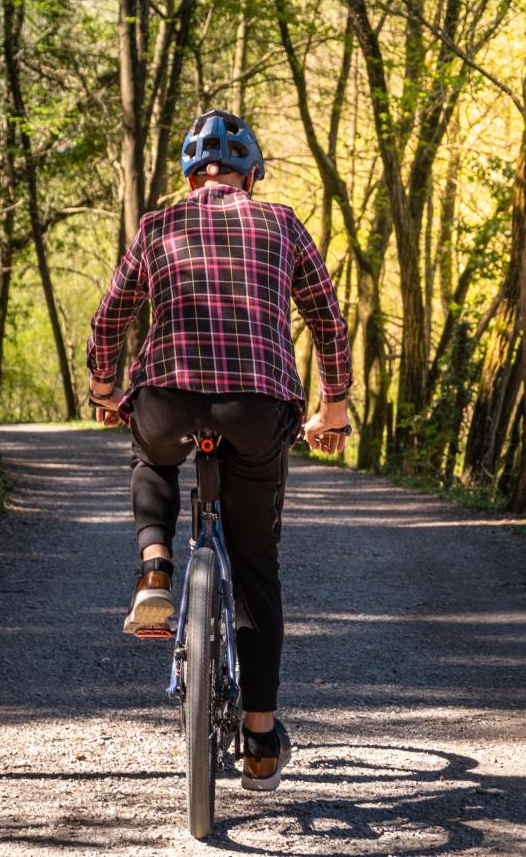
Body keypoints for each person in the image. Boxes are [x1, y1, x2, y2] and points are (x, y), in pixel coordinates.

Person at [84, 109, 352, 791]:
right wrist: (334, 407)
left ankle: (154, 573)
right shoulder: (283, 223)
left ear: (189, 175)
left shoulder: (157, 226)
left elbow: (111, 315)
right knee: (257, 567)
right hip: (258, 408)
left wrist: (105, 386)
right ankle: (260, 740)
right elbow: (326, 317)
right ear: (252, 175)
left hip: (167, 398)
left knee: (151, 454)